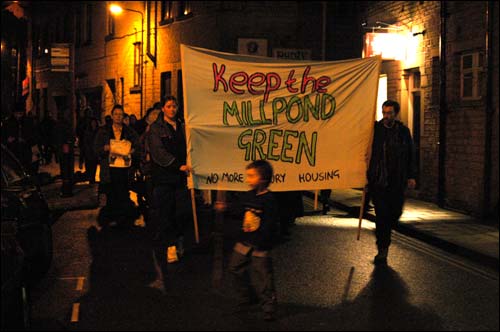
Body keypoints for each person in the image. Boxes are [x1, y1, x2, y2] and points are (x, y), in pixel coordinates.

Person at [215, 160, 278, 321]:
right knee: (234, 268)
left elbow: (271, 223)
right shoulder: (248, 195)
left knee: (263, 275)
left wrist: (264, 240)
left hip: (260, 243)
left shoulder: (269, 200)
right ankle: (248, 296)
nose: (248, 180)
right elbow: (239, 210)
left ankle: (268, 307)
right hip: (245, 239)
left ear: (263, 179)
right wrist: (226, 208)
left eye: (251, 176)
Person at [367, 100, 416, 264]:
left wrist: (411, 176)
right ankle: (382, 249)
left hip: (397, 181)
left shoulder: (403, 132)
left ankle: (384, 232)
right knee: (382, 216)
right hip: (379, 182)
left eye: (389, 113)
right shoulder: (375, 130)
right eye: (384, 113)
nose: (386, 116)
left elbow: (410, 155)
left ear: (396, 114)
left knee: (395, 214)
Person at [146, 96, 191, 265]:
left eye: (175, 106)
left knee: (181, 211)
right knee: (166, 213)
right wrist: (178, 165)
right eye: (169, 106)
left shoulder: (181, 126)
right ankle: (170, 246)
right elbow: (158, 153)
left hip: (180, 178)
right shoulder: (156, 129)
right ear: (163, 109)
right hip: (164, 178)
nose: (172, 109)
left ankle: (178, 238)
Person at [94, 105, 140, 227]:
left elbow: (137, 145)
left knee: (123, 192)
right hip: (109, 168)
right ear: (112, 115)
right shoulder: (103, 131)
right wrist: (104, 148)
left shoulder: (129, 131)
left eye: (121, 114)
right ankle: (111, 217)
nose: (118, 117)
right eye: (116, 114)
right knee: (111, 192)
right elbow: (96, 148)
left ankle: (123, 219)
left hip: (124, 168)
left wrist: (132, 150)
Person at [82, 117, 99, 183]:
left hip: (94, 152)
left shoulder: (98, 131)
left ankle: (92, 179)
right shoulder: (87, 132)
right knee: (89, 166)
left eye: (94, 122)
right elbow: (85, 142)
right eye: (92, 122)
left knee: (94, 167)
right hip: (89, 152)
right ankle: (90, 178)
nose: (93, 124)